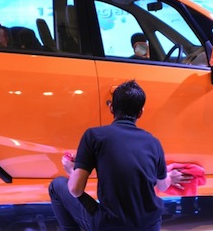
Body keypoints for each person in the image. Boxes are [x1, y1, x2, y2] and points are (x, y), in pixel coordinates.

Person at [48, 80, 192, 230]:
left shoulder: (94, 136)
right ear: (140, 112)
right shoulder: (153, 142)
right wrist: (170, 176)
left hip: (111, 226)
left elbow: (75, 190)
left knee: (57, 185)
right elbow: (162, 186)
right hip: (150, 226)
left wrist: (71, 170)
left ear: (111, 107)